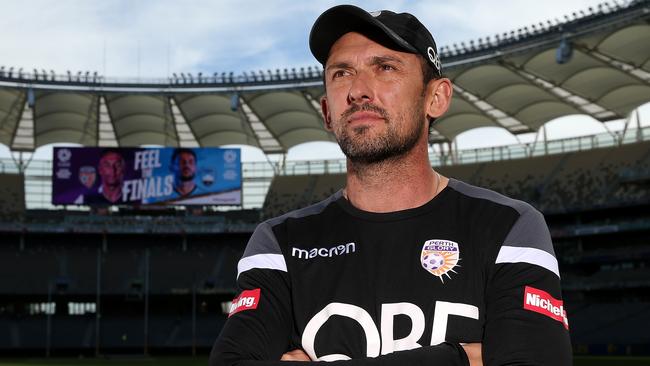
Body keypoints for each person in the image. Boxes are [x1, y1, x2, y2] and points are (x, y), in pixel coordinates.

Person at [210, 5, 571, 366]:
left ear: (436, 97)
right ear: (326, 112)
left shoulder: (509, 225)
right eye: (341, 73)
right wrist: (459, 357)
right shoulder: (279, 240)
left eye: (385, 68)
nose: (358, 90)